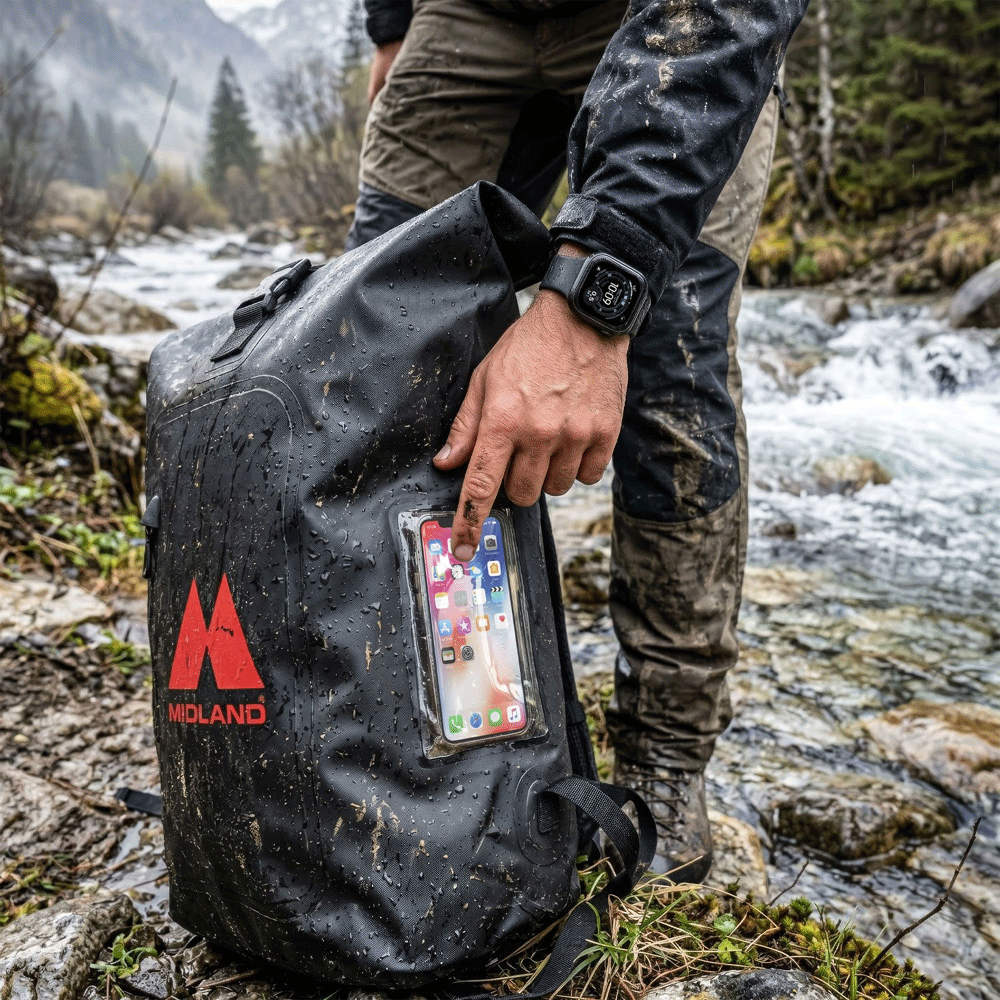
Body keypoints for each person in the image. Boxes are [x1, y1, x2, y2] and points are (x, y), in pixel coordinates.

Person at [345, 0, 808, 882]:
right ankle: (400, 709)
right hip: (467, 10)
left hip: (679, 19)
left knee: (673, 363)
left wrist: (599, 293)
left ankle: (666, 754)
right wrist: (392, 24)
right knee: (379, 334)